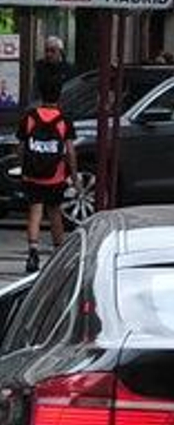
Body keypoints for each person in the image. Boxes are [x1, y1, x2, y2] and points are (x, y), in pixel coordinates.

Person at [16, 61, 80, 274]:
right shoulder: (64, 120)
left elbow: (21, 147)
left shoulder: (30, 117)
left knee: (35, 210)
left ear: (40, 94)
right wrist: (74, 176)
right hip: (56, 176)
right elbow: (70, 151)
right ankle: (59, 253)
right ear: (59, 95)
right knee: (55, 212)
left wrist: (22, 167)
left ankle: (32, 251)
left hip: (33, 175)